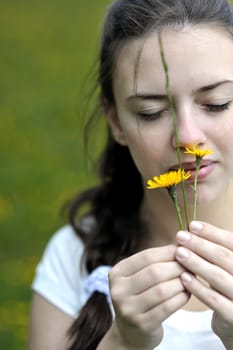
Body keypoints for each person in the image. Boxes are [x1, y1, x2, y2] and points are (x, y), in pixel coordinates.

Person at [28, 0, 233, 349]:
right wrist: (121, 341)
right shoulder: (74, 257)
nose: (187, 137)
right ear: (116, 122)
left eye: (217, 103)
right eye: (150, 112)